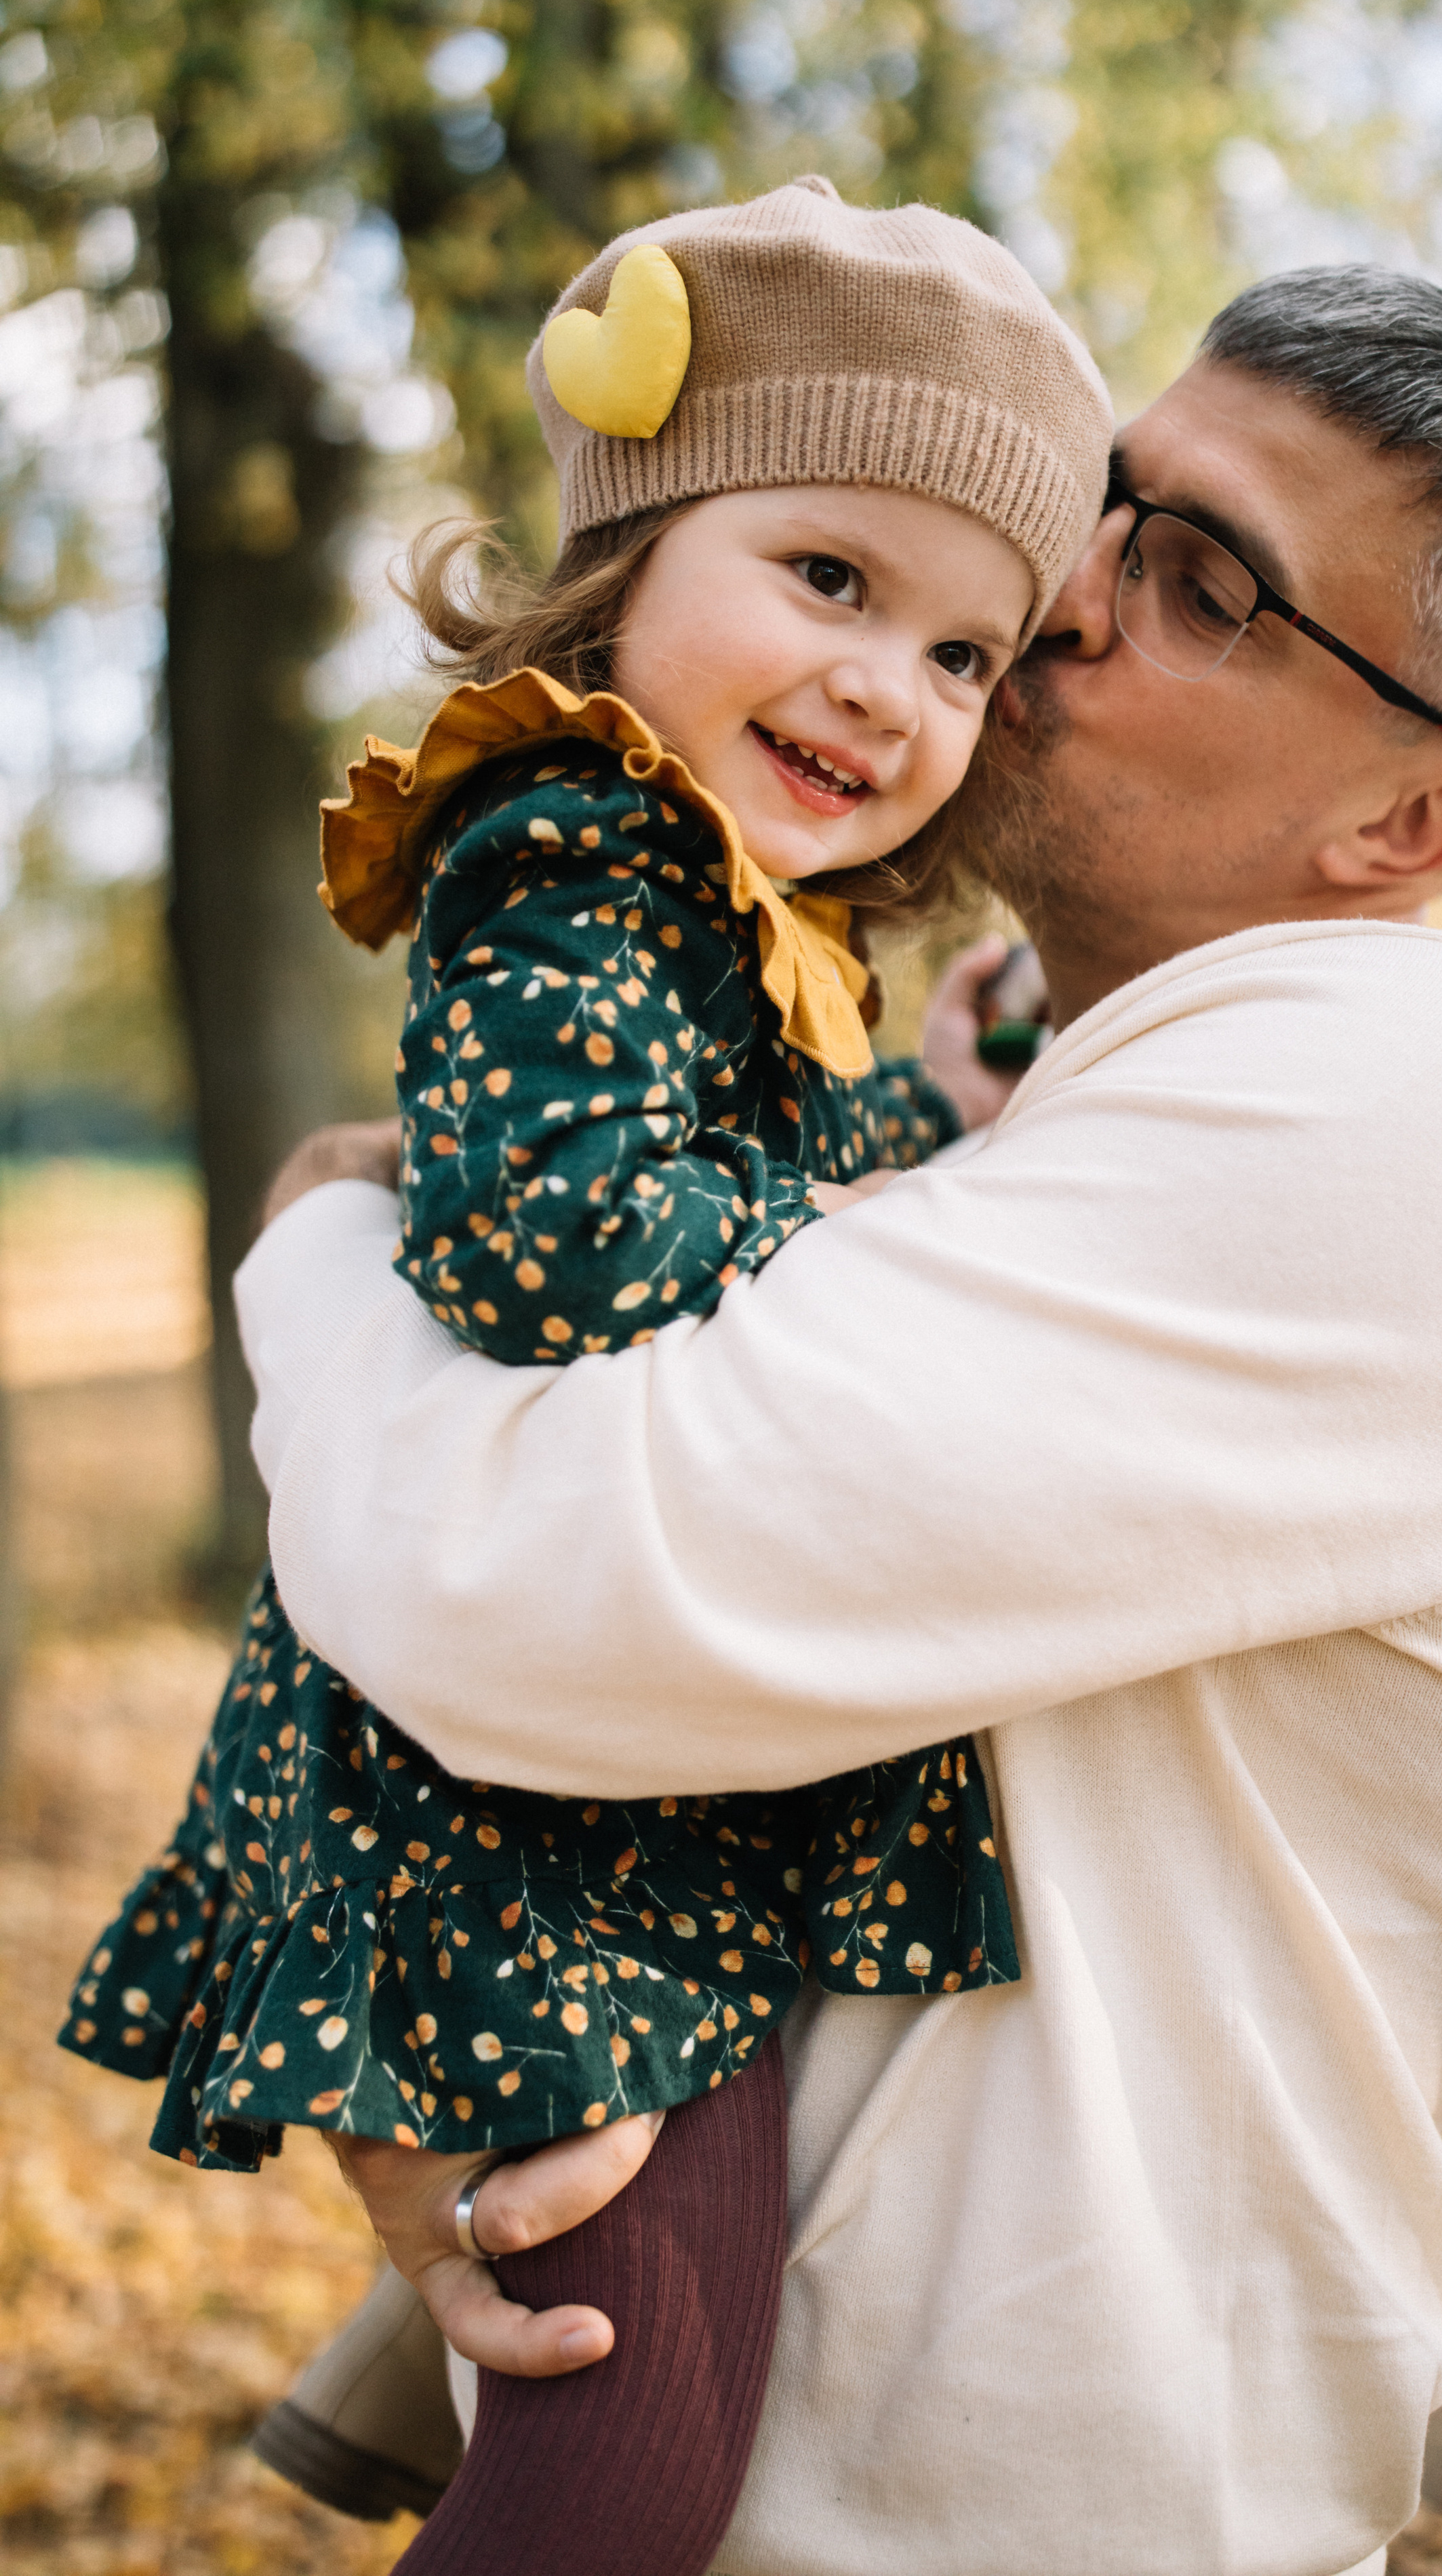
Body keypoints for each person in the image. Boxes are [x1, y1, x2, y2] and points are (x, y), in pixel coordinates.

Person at [222, 266, 1442, 2576]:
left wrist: (312, 1251)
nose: (1066, 594)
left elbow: (501, 1585)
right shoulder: (1013, 1092)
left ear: (1417, 816)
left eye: (1203, 579)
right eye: (1106, 500)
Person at [58, 178, 1113, 2576]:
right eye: (828, 581)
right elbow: (558, 1254)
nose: (887, 689)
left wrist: (921, 1131)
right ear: (628, 546)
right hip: (507, 1812)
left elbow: (697, 1174)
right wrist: (885, 1223)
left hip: (609, 1807)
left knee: (672, 2409)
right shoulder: (566, 841)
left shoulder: (725, 905)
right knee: (612, 2453)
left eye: (968, 655)